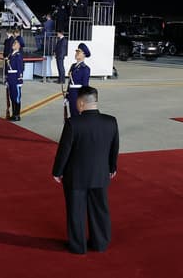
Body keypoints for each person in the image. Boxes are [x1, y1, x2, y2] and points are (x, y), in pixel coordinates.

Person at [52, 86, 119, 254]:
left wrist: (57, 171)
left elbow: (64, 150)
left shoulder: (73, 123)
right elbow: (114, 148)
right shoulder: (111, 121)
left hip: (76, 177)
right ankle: (100, 243)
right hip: (100, 174)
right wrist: (112, 168)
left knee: (76, 211)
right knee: (100, 209)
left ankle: (78, 246)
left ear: (81, 103)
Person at [67, 43, 91, 118]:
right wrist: (67, 95)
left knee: (77, 116)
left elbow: (85, 86)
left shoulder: (85, 69)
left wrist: (82, 100)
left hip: (78, 96)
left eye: (79, 52)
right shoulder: (73, 66)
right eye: (76, 51)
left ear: (84, 55)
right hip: (71, 94)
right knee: (71, 114)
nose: (76, 53)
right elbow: (70, 82)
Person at [5, 39, 24, 121]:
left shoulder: (18, 55)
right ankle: (13, 114)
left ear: (19, 46)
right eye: (14, 42)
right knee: (12, 96)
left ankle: (17, 115)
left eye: (15, 43)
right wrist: (7, 78)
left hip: (16, 78)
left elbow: (20, 68)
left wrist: (20, 79)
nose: (13, 44)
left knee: (16, 97)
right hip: (10, 78)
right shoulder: (11, 55)